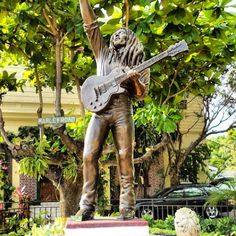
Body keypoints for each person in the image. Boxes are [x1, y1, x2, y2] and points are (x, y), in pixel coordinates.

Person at [77, 0, 150, 221]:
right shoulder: (103, 54)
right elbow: (90, 25)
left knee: (125, 156)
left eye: (122, 34)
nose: (117, 35)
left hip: (122, 110)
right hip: (99, 111)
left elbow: (141, 94)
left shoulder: (138, 62)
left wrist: (136, 81)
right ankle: (86, 206)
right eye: (115, 34)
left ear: (131, 40)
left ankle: (127, 206)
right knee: (89, 155)